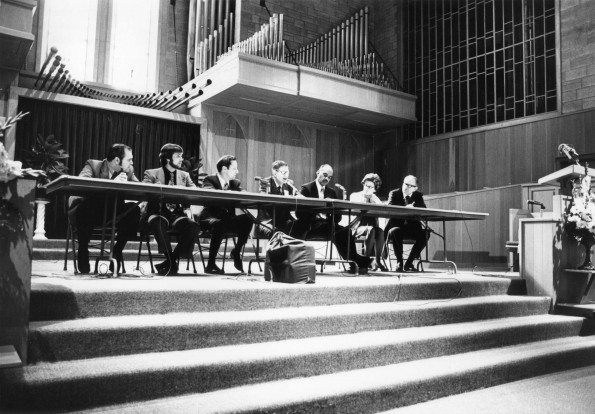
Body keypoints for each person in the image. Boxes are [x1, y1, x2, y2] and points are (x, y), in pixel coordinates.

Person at [69, 143, 141, 274]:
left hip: (114, 212)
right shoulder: (93, 165)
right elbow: (82, 183)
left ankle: (117, 250)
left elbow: (139, 190)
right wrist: (113, 183)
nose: (132, 162)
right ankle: (83, 250)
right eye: (129, 159)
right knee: (84, 208)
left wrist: (129, 187)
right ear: (117, 160)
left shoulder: (129, 170)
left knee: (134, 210)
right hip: (94, 210)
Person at [292, 164, 371, 272]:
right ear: (317, 172)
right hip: (310, 225)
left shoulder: (332, 192)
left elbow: (338, 217)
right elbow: (299, 214)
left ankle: (354, 262)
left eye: (329, 177)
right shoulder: (306, 188)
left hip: (327, 225)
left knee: (345, 232)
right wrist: (317, 210)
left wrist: (330, 214)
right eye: (325, 175)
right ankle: (361, 261)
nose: (327, 179)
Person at [142, 143, 200, 276]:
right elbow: (144, 191)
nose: (182, 159)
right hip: (157, 212)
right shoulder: (151, 174)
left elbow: (194, 192)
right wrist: (154, 189)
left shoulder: (185, 175)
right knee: (157, 222)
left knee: (193, 227)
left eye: (181, 156)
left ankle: (171, 261)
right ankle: (170, 260)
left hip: (177, 215)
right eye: (178, 156)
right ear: (168, 158)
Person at [198, 155, 253, 274]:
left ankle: (236, 251)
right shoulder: (210, 180)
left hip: (226, 220)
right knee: (220, 224)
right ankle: (210, 264)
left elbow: (243, 194)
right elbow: (211, 194)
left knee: (248, 219)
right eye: (234, 169)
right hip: (209, 218)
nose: (237, 172)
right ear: (224, 169)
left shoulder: (235, 183)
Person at [384, 175, 428, 272]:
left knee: (425, 233)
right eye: (405, 184)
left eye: (409, 185)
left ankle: (409, 263)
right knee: (396, 231)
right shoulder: (394, 193)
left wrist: (415, 209)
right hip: (396, 226)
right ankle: (400, 263)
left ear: (415, 188)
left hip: (411, 228)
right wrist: (405, 208)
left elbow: (424, 210)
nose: (406, 187)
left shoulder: (418, 195)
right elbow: (389, 209)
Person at [349, 173, 387, 271]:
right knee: (371, 230)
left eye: (371, 187)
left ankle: (378, 261)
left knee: (380, 231)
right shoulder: (355, 195)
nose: (367, 188)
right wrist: (368, 199)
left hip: (372, 227)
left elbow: (382, 208)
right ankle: (366, 261)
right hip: (357, 227)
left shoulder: (375, 198)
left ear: (375, 188)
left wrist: (372, 198)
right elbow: (356, 207)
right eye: (366, 185)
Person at [255, 160, 300, 239]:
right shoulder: (266, 182)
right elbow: (263, 199)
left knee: (299, 226)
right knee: (276, 233)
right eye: (283, 173)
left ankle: (293, 250)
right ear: (275, 173)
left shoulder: (288, 184)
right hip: (267, 221)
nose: (286, 175)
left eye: (287, 172)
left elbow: (298, 195)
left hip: (282, 221)